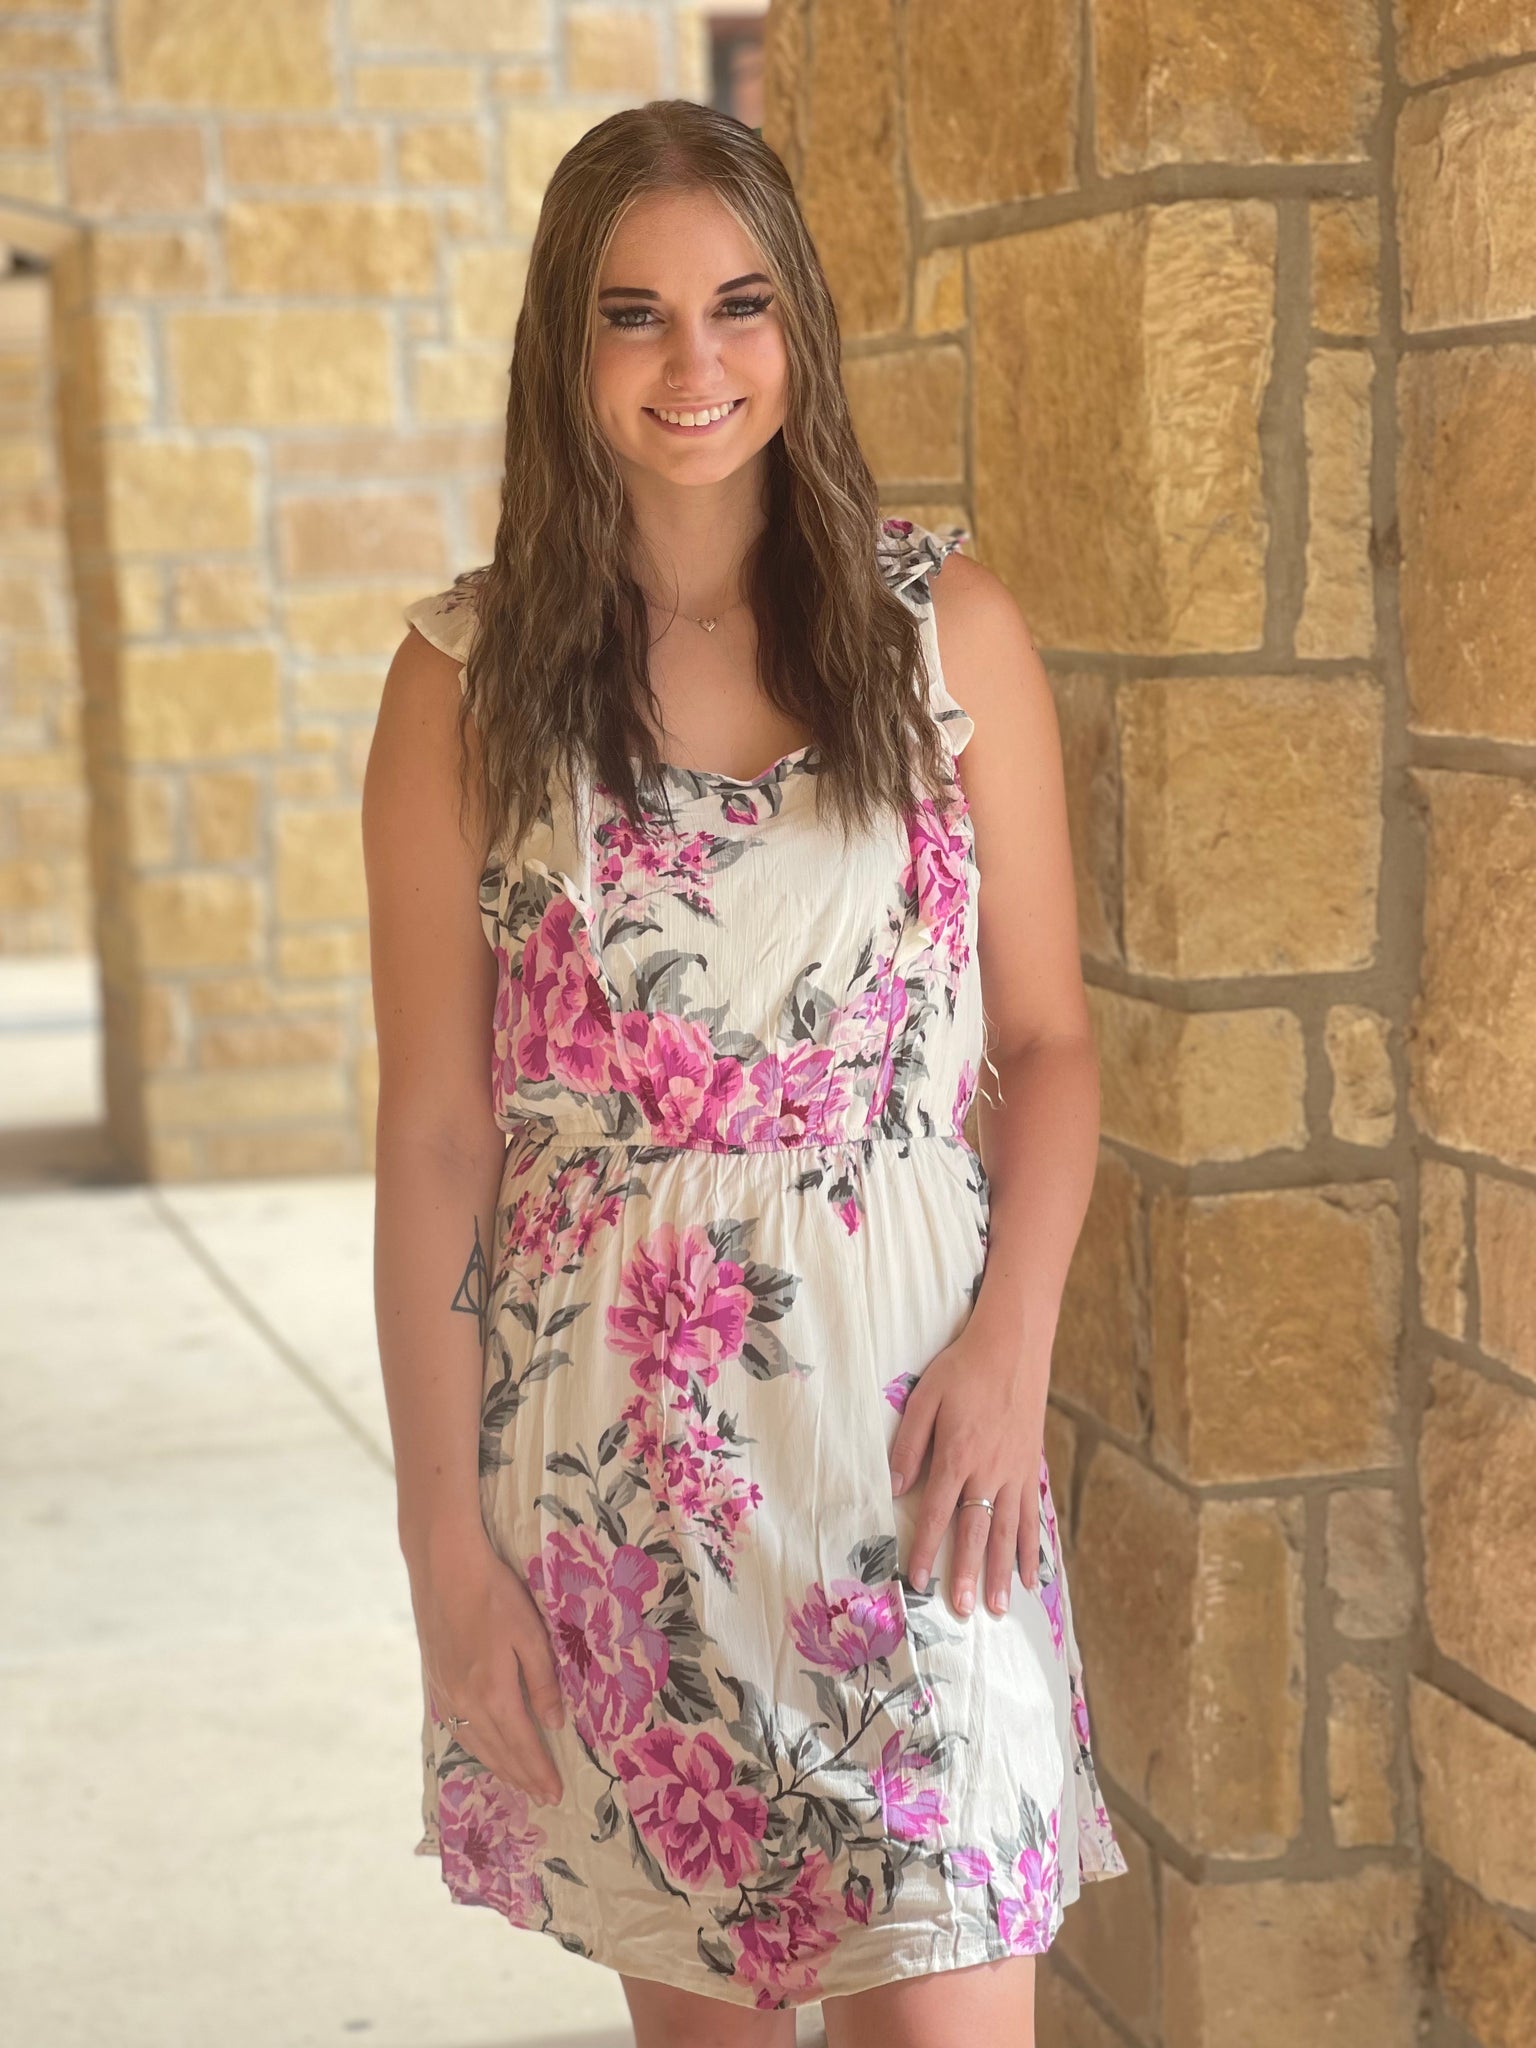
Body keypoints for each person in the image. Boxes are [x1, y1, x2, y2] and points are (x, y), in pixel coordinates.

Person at [363, 97, 1126, 2048]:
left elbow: (1045, 1046)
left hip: (920, 1443)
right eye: (635, 315)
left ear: (800, 329)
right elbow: (442, 1137)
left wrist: (1013, 1350)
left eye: (738, 305)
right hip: (618, 1470)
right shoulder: (463, 681)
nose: (693, 363)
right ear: (567, 347)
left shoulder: (945, 633)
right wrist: (444, 1544)